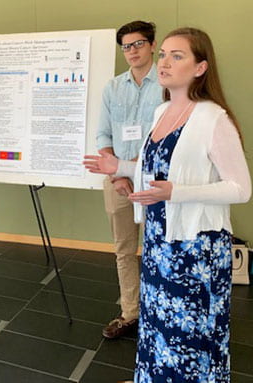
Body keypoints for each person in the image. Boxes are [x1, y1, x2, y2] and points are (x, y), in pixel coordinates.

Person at [84, 27, 251, 382]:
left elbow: (240, 188)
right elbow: (155, 170)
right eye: (165, 55)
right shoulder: (162, 112)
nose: (166, 63)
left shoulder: (212, 118)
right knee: (159, 328)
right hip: (161, 242)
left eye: (178, 56)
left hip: (196, 249)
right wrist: (120, 167)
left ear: (200, 67)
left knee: (191, 337)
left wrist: (176, 192)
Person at [96, 20, 163, 339]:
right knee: (124, 249)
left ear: (152, 45)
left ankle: (160, 311)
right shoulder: (112, 87)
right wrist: (117, 172)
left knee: (158, 248)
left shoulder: (167, 83)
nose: (132, 51)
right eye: (126, 46)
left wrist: (131, 168)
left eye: (138, 44)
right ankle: (130, 313)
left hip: (156, 180)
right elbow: (103, 134)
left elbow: (168, 137)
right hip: (117, 181)